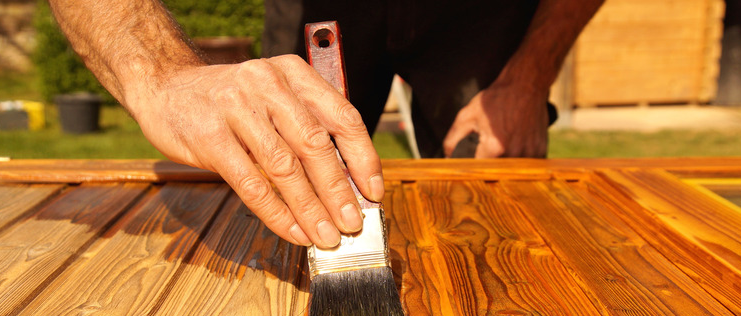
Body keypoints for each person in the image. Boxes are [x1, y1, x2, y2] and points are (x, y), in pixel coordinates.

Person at [46, 0, 603, 249]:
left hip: (480, 12)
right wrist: (160, 74)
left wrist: (530, 76)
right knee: (289, 169)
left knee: (498, 203)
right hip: (325, 3)